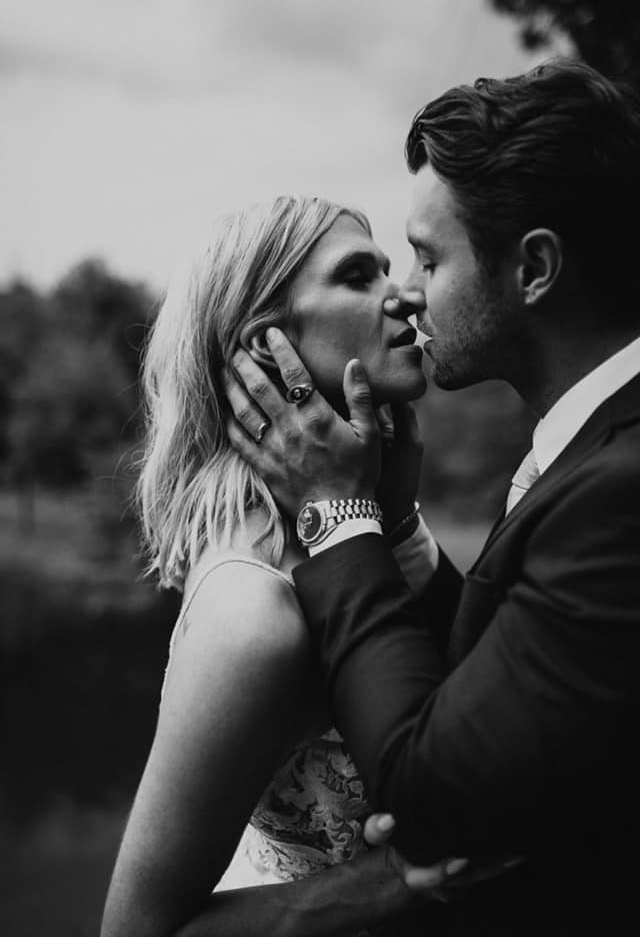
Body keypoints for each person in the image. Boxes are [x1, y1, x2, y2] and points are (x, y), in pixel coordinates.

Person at [224, 58, 640, 934]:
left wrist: (338, 514)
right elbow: (514, 673)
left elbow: (430, 803)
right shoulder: (593, 458)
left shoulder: (620, 491)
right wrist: (401, 529)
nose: (405, 296)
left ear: (533, 269)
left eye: (425, 257)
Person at [101, 195, 464, 937]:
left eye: (391, 268)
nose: (403, 296)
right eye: (359, 275)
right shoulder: (252, 615)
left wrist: (396, 525)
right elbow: (137, 929)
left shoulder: (358, 529)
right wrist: (389, 883)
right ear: (271, 349)